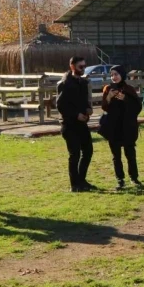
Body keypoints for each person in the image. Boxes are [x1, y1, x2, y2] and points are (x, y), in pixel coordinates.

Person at [100, 65, 143, 190]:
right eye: (112, 75)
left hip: (127, 126)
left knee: (130, 153)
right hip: (113, 127)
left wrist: (125, 99)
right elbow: (104, 107)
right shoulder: (107, 88)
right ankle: (120, 179)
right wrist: (108, 97)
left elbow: (137, 107)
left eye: (116, 74)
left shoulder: (129, 89)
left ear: (122, 75)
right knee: (116, 155)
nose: (114, 77)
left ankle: (134, 178)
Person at [57, 56, 96, 192]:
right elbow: (60, 105)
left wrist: (88, 109)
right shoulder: (65, 84)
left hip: (82, 124)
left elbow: (85, 101)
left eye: (84, 66)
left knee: (88, 151)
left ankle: (81, 180)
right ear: (72, 66)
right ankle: (74, 184)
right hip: (69, 125)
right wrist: (75, 115)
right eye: (81, 66)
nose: (83, 69)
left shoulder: (83, 83)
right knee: (74, 154)